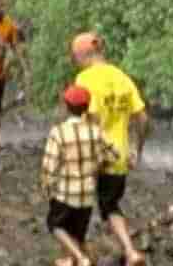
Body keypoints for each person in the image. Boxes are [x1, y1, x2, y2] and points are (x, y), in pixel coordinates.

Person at [71, 32, 150, 266]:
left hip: (95, 153)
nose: (76, 62)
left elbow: (91, 118)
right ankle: (131, 251)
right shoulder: (123, 77)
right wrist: (137, 149)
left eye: (76, 57)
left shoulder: (85, 79)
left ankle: (78, 256)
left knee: (79, 202)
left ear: (85, 54)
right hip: (120, 155)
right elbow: (143, 119)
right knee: (110, 206)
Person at [41, 84, 122, 266]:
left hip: (66, 192)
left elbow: (49, 166)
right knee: (77, 233)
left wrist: (47, 188)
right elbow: (114, 154)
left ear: (66, 105)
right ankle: (70, 260)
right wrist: (98, 162)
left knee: (55, 225)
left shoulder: (58, 132)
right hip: (87, 193)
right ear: (87, 107)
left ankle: (80, 257)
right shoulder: (95, 130)